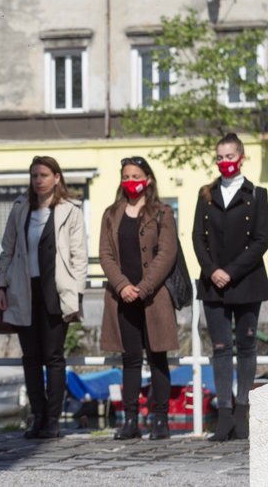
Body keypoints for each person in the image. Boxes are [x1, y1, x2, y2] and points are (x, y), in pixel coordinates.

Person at [0, 156, 87, 439]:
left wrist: (77, 291)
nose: (38, 180)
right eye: (34, 175)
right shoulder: (20, 208)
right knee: (30, 358)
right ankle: (38, 417)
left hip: (56, 291)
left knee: (54, 357)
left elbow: (79, 256)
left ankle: (53, 420)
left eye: (44, 175)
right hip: (23, 289)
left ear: (57, 177)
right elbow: (6, 251)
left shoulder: (70, 210)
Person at [192, 133, 268, 442]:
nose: (225, 162)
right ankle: (224, 415)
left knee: (247, 346)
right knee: (221, 348)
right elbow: (197, 237)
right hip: (214, 285)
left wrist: (231, 271)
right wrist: (213, 271)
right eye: (220, 157)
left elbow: (262, 240)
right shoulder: (206, 194)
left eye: (230, 156)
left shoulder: (257, 194)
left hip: (247, 281)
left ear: (241, 157)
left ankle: (242, 412)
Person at [99, 156, 178, 440]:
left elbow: (166, 254)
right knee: (130, 359)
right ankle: (130, 420)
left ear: (148, 179)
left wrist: (142, 288)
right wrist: (122, 286)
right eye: (126, 177)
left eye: (136, 176)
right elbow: (105, 255)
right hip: (122, 298)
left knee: (158, 357)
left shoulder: (162, 212)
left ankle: (160, 420)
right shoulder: (111, 214)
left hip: (154, 297)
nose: (131, 182)